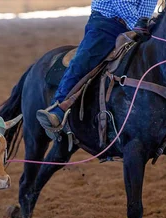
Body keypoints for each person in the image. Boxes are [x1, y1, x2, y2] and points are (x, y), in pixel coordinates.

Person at [36, 0, 157, 136]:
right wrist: (141, 23)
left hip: (142, 27)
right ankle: (57, 110)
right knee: (83, 63)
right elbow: (122, 2)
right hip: (109, 22)